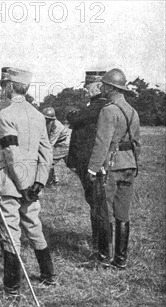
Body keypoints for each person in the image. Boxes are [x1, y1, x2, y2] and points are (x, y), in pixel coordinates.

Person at [0, 67, 56, 296]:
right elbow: (46, 153)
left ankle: (12, 289)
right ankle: (49, 276)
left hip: (10, 182)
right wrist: (38, 182)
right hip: (32, 183)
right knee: (34, 226)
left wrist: (22, 185)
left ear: (9, 86)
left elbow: (10, 152)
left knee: (10, 232)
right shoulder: (39, 115)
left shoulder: (5, 114)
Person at [87, 68, 140, 270]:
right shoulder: (133, 111)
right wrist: (136, 164)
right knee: (123, 214)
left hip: (111, 166)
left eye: (105, 85)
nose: (103, 88)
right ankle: (121, 259)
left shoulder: (108, 110)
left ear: (110, 87)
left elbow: (102, 142)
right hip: (129, 165)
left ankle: (103, 257)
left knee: (104, 212)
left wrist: (93, 169)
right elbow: (137, 143)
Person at [66, 71, 108, 253]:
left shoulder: (100, 106)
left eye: (88, 86)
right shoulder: (95, 106)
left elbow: (75, 118)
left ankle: (101, 246)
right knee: (94, 202)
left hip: (93, 164)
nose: (85, 89)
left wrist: (72, 114)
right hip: (89, 163)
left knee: (98, 204)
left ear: (99, 86)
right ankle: (98, 242)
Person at [42, 107, 71, 185]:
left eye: (47, 118)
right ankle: (54, 179)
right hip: (59, 144)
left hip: (64, 145)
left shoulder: (57, 126)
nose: (45, 120)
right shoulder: (46, 124)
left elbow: (51, 143)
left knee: (48, 160)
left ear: (52, 119)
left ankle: (50, 181)